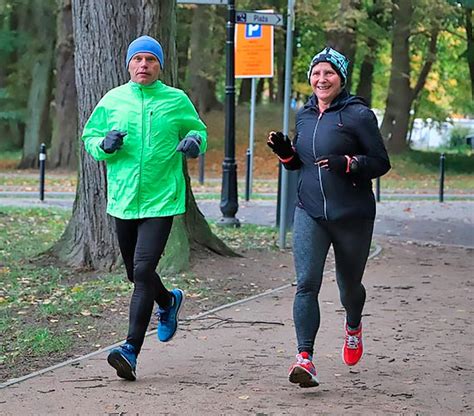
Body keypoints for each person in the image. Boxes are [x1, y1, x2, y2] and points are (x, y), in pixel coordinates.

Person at [82, 35, 207, 381]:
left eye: (150, 60)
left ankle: (130, 350)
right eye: (137, 59)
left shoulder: (175, 99)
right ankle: (168, 302)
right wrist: (103, 145)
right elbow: (90, 136)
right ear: (128, 65)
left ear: (159, 66)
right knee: (135, 274)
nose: (143, 65)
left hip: (162, 198)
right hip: (122, 199)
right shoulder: (113, 100)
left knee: (141, 270)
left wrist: (194, 143)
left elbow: (198, 131)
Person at [267, 46, 390, 388]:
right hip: (310, 212)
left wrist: (348, 163)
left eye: (329, 73)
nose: (322, 79)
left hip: (353, 215)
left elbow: (381, 163)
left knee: (348, 286)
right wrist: (285, 153)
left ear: (341, 78)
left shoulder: (359, 115)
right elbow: (299, 166)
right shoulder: (304, 115)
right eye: (316, 74)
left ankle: (353, 324)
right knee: (306, 283)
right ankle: (304, 359)